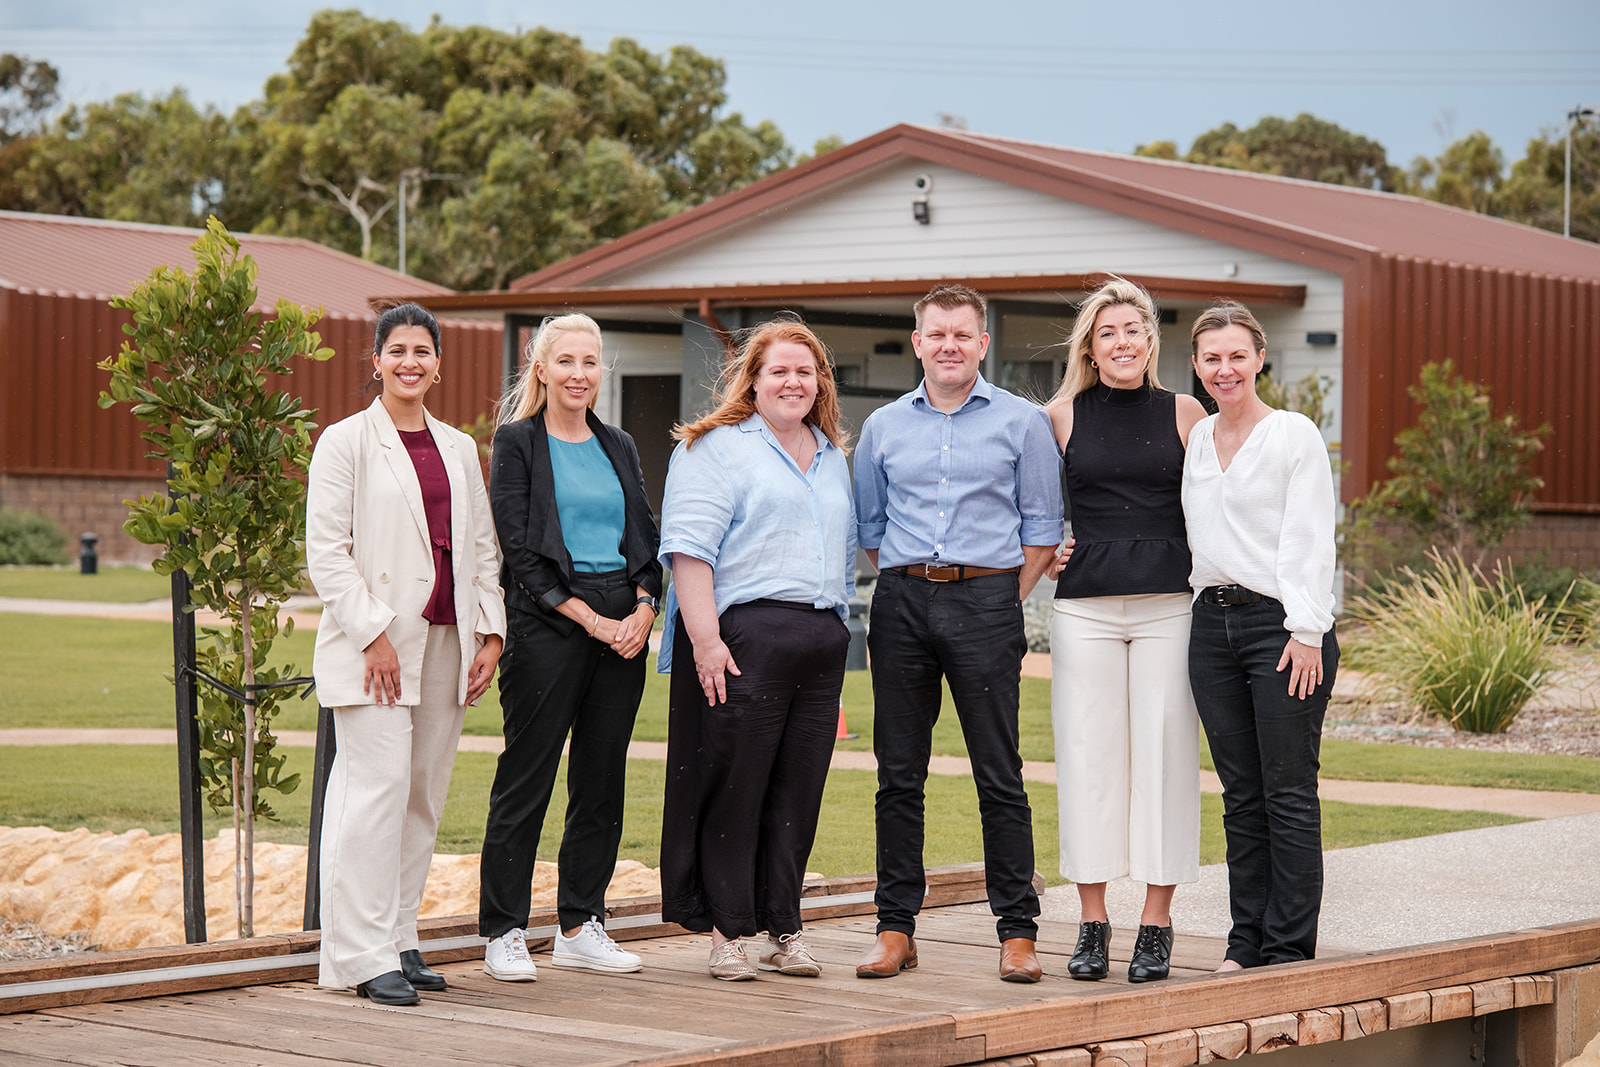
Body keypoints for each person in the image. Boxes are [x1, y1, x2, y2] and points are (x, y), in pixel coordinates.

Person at [853, 284, 1062, 983]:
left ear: (982, 342)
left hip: (989, 601)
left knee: (999, 772)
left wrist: (998, 596)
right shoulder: (882, 425)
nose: (948, 345)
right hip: (903, 603)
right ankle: (895, 927)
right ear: (918, 342)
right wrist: (917, 584)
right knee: (897, 774)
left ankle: (1017, 931)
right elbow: (872, 529)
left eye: (961, 334)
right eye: (935, 334)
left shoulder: (1023, 422)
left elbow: (1041, 530)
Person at [307, 302, 506, 1007]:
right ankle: (359, 953)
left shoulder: (457, 446)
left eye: (422, 351)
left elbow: (481, 544)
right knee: (376, 792)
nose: (410, 362)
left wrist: (491, 632)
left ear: (439, 363)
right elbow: (327, 553)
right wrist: (372, 633)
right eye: (398, 350)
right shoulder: (345, 441)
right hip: (377, 647)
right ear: (376, 360)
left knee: (422, 794)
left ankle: (397, 933)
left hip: (447, 641)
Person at [657, 319, 856, 982]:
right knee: (735, 787)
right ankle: (726, 934)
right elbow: (688, 550)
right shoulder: (713, 448)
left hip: (820, 640)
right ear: (754, 379)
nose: (794, 381)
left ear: (820, 382)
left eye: (807, 371)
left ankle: (784, 927)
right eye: (780, 370)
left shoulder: (831, 454)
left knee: (798, 790)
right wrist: (705, 641)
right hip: (743, 638)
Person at [477, 313, 663, 982]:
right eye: (566, 362)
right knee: (527, 777)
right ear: (542, 368)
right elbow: (521, 551)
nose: (579, 373)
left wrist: (644, 607)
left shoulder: (619, 443)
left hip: (624, 626)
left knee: (601, 779)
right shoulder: (517, 442)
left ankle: (581, 923)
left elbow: (645, 534)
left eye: (590, 362)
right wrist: (590, 619)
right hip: (548, 624)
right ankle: (503, 929)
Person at [1045, 278, 1208, 984]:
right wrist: (1047, 546)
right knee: (1089, 760)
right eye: (1107, 333)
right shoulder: (1058, 416)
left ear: (1150, 341)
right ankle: (1091, 920)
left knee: (1165, 759)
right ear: (1092, 345)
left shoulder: (1186, 413)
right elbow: (1030, 508)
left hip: (1171, 605)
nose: (1121, 343)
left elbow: (1215, 507)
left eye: (1132, 332)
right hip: (1084, 610)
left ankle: (1156, 922)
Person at [1182, 301, 1339, 971]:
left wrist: (1307, 628)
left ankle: (1285, 948)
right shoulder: (1196, 439)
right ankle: (1244, 941)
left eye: (1237, 355)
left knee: (1289, 790)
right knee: (1241, 793)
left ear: (1260, 358)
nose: (1225, 368)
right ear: (1196, 364)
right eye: (1212, 357)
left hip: (1280, 628)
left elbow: (1309, 535)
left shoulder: (1292, 433)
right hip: (1209, 626)